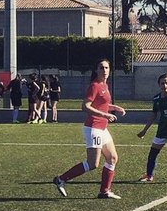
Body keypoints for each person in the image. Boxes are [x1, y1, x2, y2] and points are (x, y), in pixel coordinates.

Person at [52, 59, 125, 199]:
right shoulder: (95, 86)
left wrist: (114, 108)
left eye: (106, 68)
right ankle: (61, 179)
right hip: (93, 128)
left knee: (112, 158)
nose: (104, 70)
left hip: (103, 128)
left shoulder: (104, 85)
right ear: (96, 70)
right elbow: (85, 106)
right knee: (93, 164)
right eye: (101, 67)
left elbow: (101, 105)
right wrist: (105, 114)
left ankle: (104, 191)